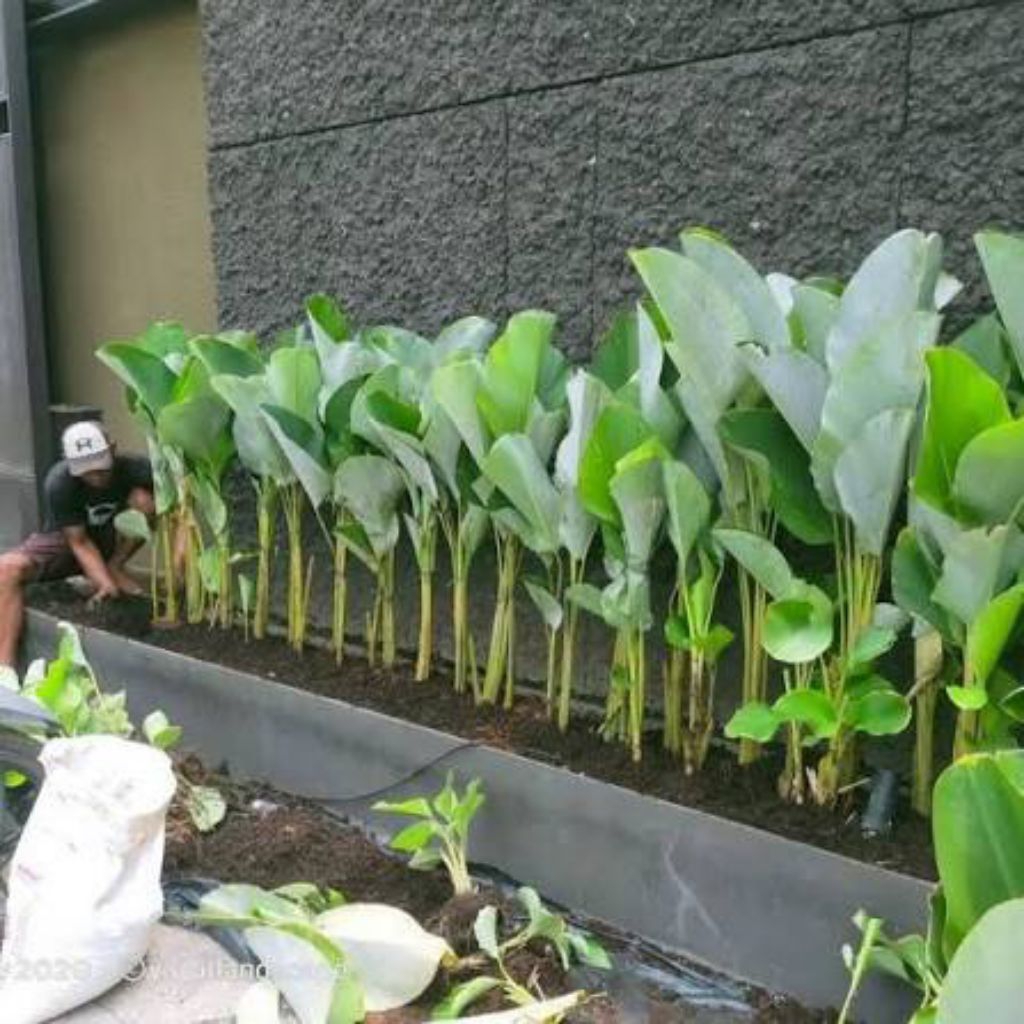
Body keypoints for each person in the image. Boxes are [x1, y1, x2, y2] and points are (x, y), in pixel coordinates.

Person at [0, 421, 154, 666]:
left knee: (145, 501)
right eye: (86, 470)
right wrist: (104, 584)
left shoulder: (136, 469)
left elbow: (174, 509)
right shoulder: (59, 482)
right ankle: (3, 672)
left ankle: (114, 567)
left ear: (112, 449)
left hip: (107, 543)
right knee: (6, 568)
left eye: (101, 468)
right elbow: (79, 541)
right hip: (63, 542)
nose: (95, 476)